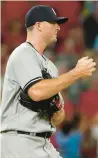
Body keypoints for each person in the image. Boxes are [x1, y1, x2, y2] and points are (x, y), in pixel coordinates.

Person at [0, 5, 96, 158]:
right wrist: (76, 73)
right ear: (38, 25)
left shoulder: (50, 67)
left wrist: (56, 107)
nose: (58, 27)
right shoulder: (22, 53)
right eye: (53, 23)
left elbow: (58, 118)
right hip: (19, 141)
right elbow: (36, 92)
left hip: (43, 142)